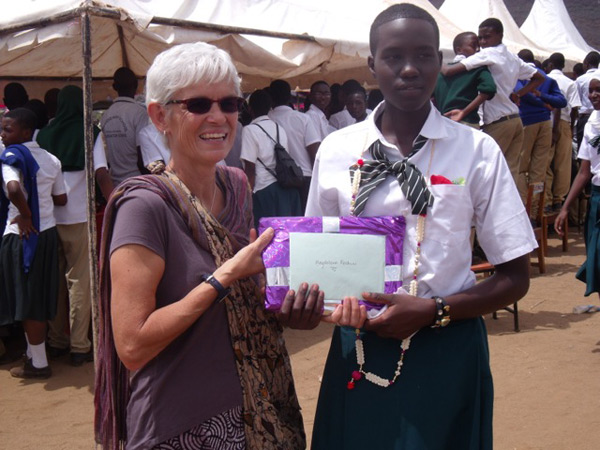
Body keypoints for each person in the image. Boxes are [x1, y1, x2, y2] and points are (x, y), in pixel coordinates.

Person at [306, 4, 535, 449]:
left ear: (441, 63)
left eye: (424, 55)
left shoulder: (476, 151)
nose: (409, 68)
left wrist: (435, 311)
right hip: (359, 349)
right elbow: (315, 260)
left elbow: (515, 276)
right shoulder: (337, 151)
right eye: (393, 56)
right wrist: (308, 303)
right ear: (372, 65)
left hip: (449, 347)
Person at [94, 42, 322, 450]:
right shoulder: (144, 206)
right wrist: (226, 274)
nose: (218, 117)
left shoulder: (236, 185)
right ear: (159, 115)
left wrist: (291, 304)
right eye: (198, 104)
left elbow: (249, 302)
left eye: (230, 103)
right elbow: (132, 345)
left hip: (261, 408)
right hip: (183, 424)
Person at [0, 108, 67, 379]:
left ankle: (38, 363)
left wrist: (26, 214)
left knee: (28, 300)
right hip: (48, 233)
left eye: (8, 129)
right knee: (37, 297)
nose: (3, 135)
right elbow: (60, 197)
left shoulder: (10, 157)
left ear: (25, 132)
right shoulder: (51, 159)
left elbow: (14, 189)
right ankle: (33, 355)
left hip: (23, 235)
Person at [37, 85, 98, 367]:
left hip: (48, 218)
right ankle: (79, 345)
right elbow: (102, 172)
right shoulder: (91, 133)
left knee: (55, 280)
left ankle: (56, 341)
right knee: (79, 282)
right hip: (79, 217)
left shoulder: (42, 135)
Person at [442, 17, 545, 182]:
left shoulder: (487, 54)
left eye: (487, 37)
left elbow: (448, 72)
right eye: (480, 38)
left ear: (500, 35)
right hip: (516, 120)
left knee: (486, 173)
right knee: (508, 175)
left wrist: (435, 59)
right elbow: (539, 77)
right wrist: (518, 94)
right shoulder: (513, 57)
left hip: (498, 122)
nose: (482, 42)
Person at [555, 74, 600, 300]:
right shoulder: (592, 122)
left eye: (598, 90)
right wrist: (565, 208)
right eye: (591, 90)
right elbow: (584, 171)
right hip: (597, 200)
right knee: (597, 262)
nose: (594, 95)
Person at [514, 49, 567, 215]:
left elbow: (520, 95)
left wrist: (538, 99)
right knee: (539, 168)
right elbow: (561, 101)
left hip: (527, 122)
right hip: (545, 124)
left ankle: (525, 209)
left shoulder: (519, 76)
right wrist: (544, 101)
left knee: (522, 167)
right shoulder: (548, 79)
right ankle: (537, 208)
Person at [241, 89, 303, 227]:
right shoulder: (279, 128)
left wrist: (246, 197)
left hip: (264, 189)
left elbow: (250, 168)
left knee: (266, 235)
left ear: (250, 109)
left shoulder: (249, 130)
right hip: (287, 188)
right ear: (270, 108)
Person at [268, 79, 321, 209]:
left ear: (271, 98)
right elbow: (315, 153)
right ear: (289, 98)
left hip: (277, 181)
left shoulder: (266, 120)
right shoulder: (303, 119)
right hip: (304, 178)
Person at [433, 31, 496, 128]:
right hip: (468, 123)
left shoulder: (440, 73)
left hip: (444, 123)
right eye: (473, 46)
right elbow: (489, 89)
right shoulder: (479, 68)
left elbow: (432, 98)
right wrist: (463, 112)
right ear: (459, 50)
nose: (478, 49)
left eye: (479, 46)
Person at [96, 67, 148, 185]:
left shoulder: (106, 115)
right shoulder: (139, 113)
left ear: (114, 87)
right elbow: (143, 153)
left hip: (115, 185)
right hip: (137, 182)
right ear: (136, 85)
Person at [545, 52, 582, 211]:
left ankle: (544, 199)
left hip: (546, 122)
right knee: (563, 162)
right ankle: (558, 199)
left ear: (551, 65)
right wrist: (571, 125)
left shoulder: (545, 80)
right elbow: (575, 108)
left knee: (545, 162)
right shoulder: (570, 83)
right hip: (565, 123)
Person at [575, 51, 599, 148]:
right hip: (596, 116)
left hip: (585, 117)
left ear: (586, 63)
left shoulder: (580, 80)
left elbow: (577, 102)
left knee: (583, 147)